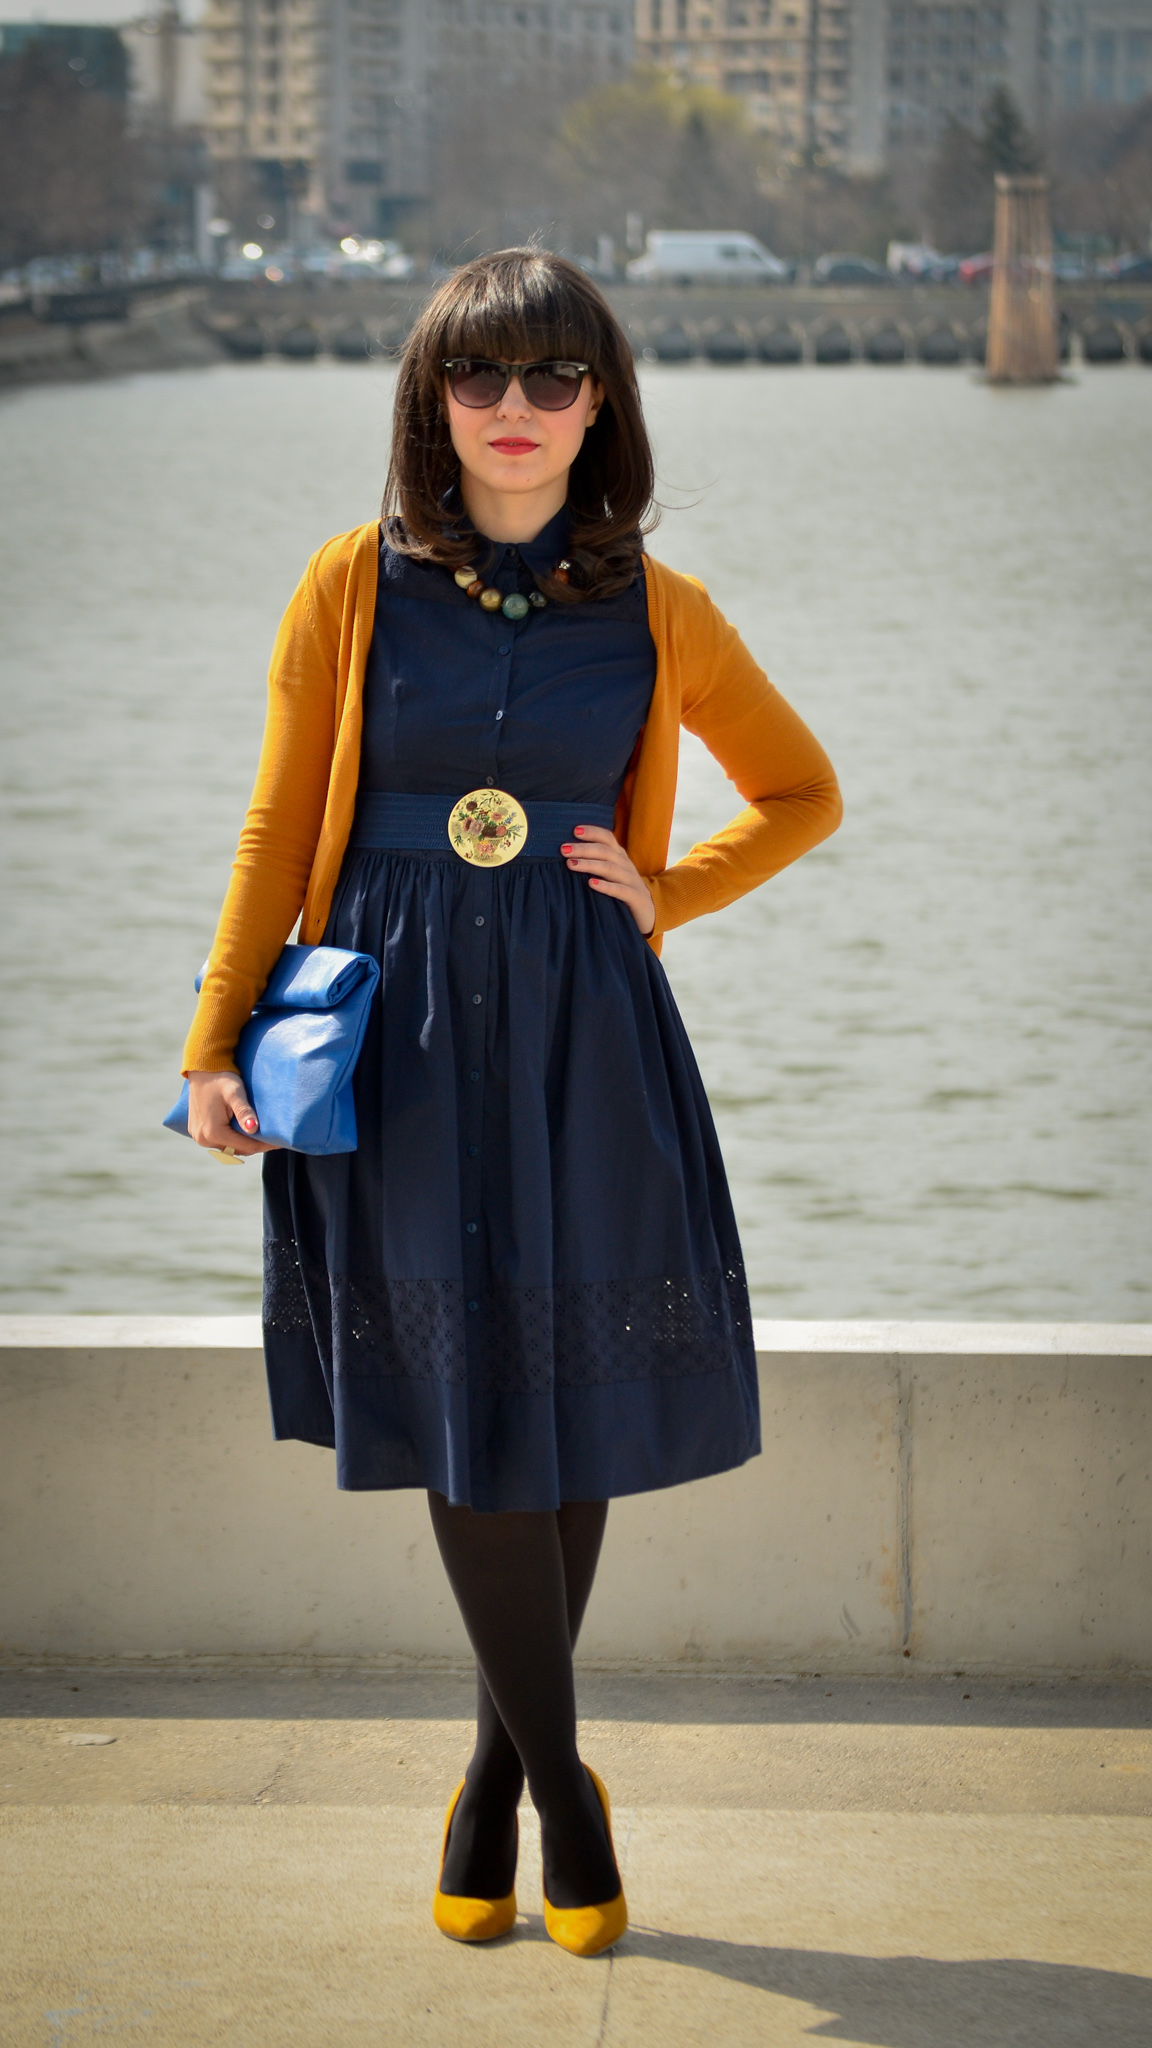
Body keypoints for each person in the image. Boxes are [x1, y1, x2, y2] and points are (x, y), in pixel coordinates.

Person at [180, 248, 842, 1957]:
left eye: (556, 380)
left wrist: (667, 893)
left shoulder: (659, 607)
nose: (520, 412)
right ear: (433, 404)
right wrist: (210, 1046)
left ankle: (491, 1779)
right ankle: (562, 1789)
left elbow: (802, 793)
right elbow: (272, 829)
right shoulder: (350, 583)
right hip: (392, 1029)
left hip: (581, 1025)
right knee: (465, 1391)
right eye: (483, 382)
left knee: (557, 1395)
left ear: (600, 402)